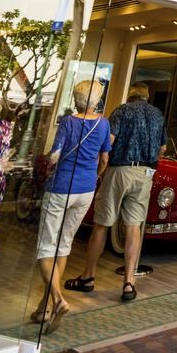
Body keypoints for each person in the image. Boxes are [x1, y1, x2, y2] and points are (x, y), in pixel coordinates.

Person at [64, 82, 165, 302]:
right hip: (145, 173)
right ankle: (129, 282)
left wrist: (100, 166)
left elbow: (108, 142)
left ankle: (88, 276)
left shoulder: (122, 111)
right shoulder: (158, 114)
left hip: (120, 170)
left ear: (130, 95)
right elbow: (162, 147)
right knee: (133, 227)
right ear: (147, 95)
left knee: (102, 223)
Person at [32, 80, 110, 330]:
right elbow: (104, 158)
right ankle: (45, 306)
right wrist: (94, 176)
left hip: (61, 186)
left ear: (75, 99)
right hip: (86, 188)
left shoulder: (68, 122)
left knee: (47, 245)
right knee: (63, 244)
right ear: (96, 100)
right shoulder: (103, 123)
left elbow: (55, 154)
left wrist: (48, 168)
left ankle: (56, 299)